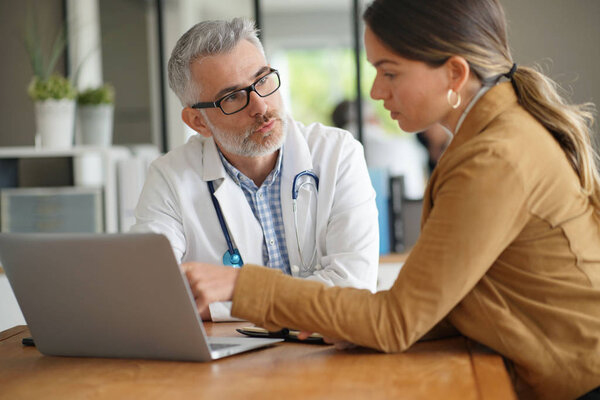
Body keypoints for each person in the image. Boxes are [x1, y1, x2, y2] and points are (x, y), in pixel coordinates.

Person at [182, 1, 600, 398]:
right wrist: (346, 320)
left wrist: (240, 284)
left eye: (390, 72)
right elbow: (440, 303)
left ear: (454, 74)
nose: (376, 91)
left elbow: (394, 323)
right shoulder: (491, 135)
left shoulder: (494, 156)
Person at [131, 18, 379, 321]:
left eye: (262, 80)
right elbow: (154, 293)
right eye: (232, 97)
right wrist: (306, 299)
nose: (260, 106)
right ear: (198, 122)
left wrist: (232, 296)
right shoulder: (170, 177)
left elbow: (353, 289)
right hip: (228, 364)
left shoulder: (338, 153)